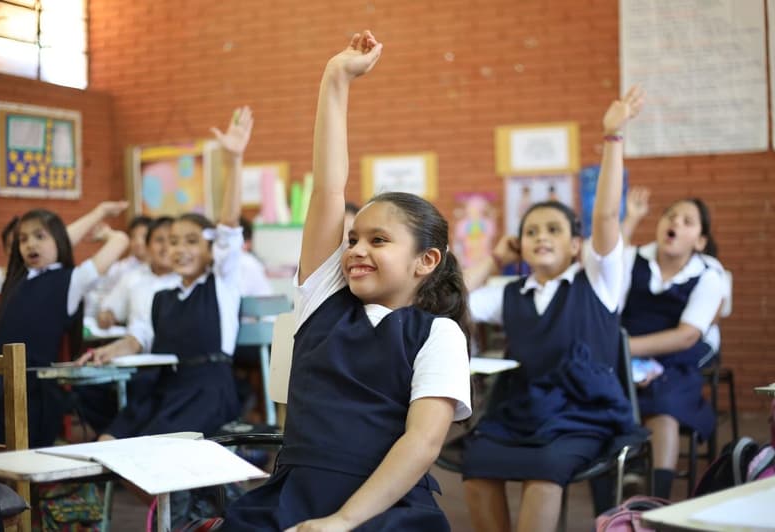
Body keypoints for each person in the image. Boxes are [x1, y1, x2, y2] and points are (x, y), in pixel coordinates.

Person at [222, 31, 471, 531]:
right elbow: (329, 186)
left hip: (383, 503)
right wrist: (335, 79)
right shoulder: (322, 300)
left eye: (379, 241)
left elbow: (421, 444)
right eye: (353, 238)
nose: (355, 249)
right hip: (292, 495)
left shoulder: (438, 334)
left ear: (426, 260)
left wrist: (342, 520)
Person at [460, 87, 646, 532]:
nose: (541, 237)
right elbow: (452, 299)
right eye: (530, 231)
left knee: (545, 470)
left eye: (553, 229)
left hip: (584, 414)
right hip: (520, 411)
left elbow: (604, 219)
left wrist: (612, 137)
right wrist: (495, 260)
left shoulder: (600, 281)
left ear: (576, 244)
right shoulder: (511, 293)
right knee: (477, 463)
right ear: (520, 245)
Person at [80, 106, 254, 441]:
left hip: (208, 391)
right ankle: (163, 495)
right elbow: (140, 337)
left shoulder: (221, 284)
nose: (179, 249)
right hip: (165, 386)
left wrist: (233, 159)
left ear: (211, 250)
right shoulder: (162, 298)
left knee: (155, 446)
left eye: (191, 241)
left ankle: (187, 495)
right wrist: (110, 351)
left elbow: (229, 225)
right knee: (109, 440)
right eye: (173, 241)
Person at [0, 201, 129, 447]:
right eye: (23, 239)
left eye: (39, 236)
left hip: (30, 391)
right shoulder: (17, 276)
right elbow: (55, 241)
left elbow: (119, 241)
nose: (30, 244)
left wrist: (106, 228)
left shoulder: (73, 281)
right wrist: (97, 212)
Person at [619, 186, 725, 499]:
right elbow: (605, 266)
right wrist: (630, 219)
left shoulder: (708, 275)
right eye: (671, 215)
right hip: (628, 348)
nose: (676, 223)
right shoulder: (634, 258)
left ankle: (657, 498)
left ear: (700, 240)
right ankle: (629, 467)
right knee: (611, 394)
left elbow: (687, 335)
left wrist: (625, 351)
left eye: (687, 221)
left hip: (677, 354)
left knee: (665, 405)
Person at [73, 216, 180, 434]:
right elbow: (116, 315)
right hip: (135, 358)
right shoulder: (135, 279)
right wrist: (108, 320)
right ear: (147, 247)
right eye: (160, 240)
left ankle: (118, 438)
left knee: (142, 391)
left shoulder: (185, 282)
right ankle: (118, 439)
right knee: (85, 388)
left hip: (172, 365)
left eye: (173, 240)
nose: (167, 247)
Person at [86, 215, 152, 321]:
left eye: (143, 237)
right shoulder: (120, 268)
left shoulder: (162, 270)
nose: (138, 242)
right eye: (133, 237)